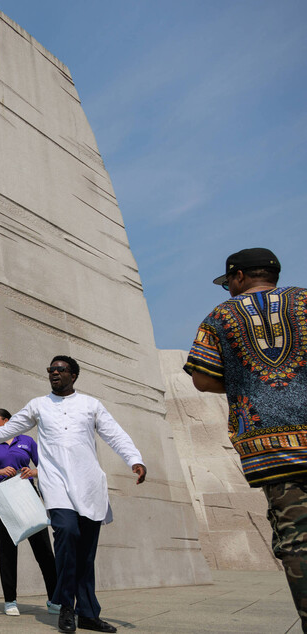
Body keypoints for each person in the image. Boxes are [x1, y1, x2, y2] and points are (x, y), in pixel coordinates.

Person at [0, 356, 147, 633]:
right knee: (66, 534)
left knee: (86, 554)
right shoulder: (38, 406)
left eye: (60, 370)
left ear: (74, 375)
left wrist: (134, 459)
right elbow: (6, 430)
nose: (54, 373)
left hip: (88, 487)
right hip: (57, 488)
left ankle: (87, 613)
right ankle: (65, 606)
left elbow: (115, 435)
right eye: (50, 369)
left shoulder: (91, 405)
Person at [184, 247, 307, 631]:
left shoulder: (220, 316)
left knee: (299, 543)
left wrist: (245, 384)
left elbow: (202, 379)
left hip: (271, 449)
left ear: (238, 277)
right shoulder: (304, 300)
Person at [0, 408, 59, 617]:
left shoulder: (27, 441)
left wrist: (32, 472)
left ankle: (55, 599)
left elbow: (45, 467)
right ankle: (10, 601)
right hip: (4, 497)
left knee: (44, 551)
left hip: (27, 495)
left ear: (7, 420)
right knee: (7, 550)